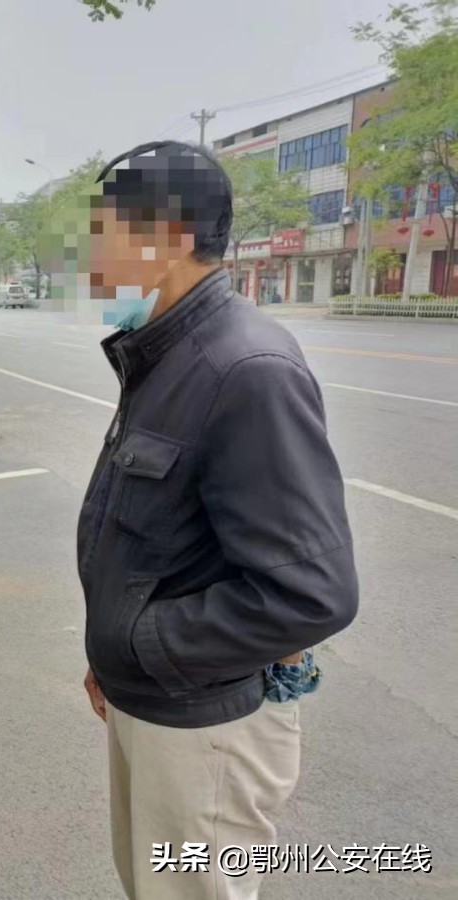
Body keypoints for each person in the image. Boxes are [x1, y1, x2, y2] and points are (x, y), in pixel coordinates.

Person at [78, 141, 359, 900]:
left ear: (166, 238)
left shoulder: (243, 368)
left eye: (103, 232)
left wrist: (139, 646)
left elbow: (311, 593)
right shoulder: (163, 353)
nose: (90, 256)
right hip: (153, 700)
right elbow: (153, 538)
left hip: (204, 724)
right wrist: (112, 654)